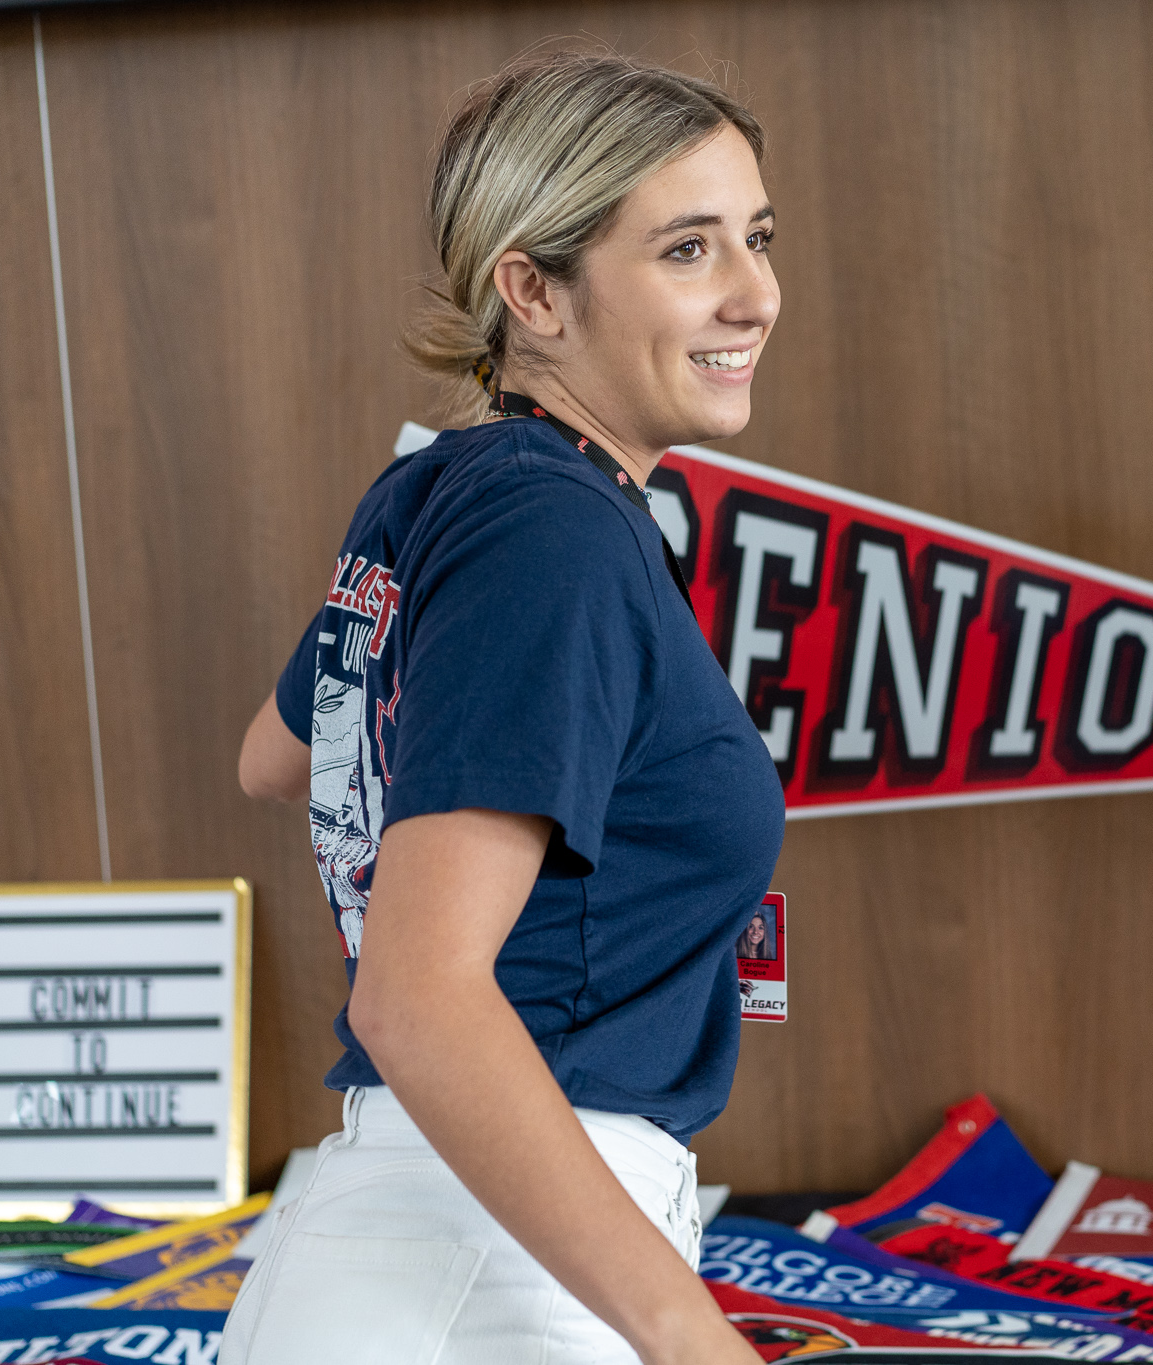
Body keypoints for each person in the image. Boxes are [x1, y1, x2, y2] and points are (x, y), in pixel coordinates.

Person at [229, 49, 784, 1364]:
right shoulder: (550, 529)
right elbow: (416, 999)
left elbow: (276, 754)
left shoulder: (451, 488)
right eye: (691, 250)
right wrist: (689, 1338)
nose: (756, 292)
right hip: (502, 1261)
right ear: (532, 288)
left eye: (757, 237)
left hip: (424, 1227)